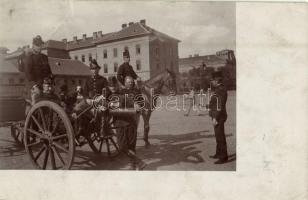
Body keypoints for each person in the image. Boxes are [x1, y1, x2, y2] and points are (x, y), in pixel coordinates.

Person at [115, 76, 146, 170]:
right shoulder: (119, 92)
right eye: (128, 82)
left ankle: (133, 164)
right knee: (122, 146)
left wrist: (139, 106)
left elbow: (141, 103)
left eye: (132, 82)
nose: (131, 83)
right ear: (124, 83)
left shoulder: (137, 92)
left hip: (132, 120)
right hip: (121, 121)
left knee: (131, 145)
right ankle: (138, 161)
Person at [18, 35, 53, 105]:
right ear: (33, 46)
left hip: (44, 85)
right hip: (32, 86)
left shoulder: (44, 57)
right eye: (37, 45)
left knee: (54, 97)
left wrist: (49, 81)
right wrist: (34, 86)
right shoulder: (29, 58)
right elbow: (28, 74)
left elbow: (49, 72)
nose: (40, 47)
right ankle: (30, 114)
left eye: (40, 45)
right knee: (35, 97)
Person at [209, 71, 228, 164]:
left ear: (216, 80)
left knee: (220, 136)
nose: (211, 82)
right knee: (218, 136)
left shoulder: (220, 90)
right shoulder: (218, 89)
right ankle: (218, 153)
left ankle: (223, 157)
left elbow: (219, 105)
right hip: (217, 115)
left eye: (212, 80)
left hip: (219, 116)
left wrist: (215, 117)